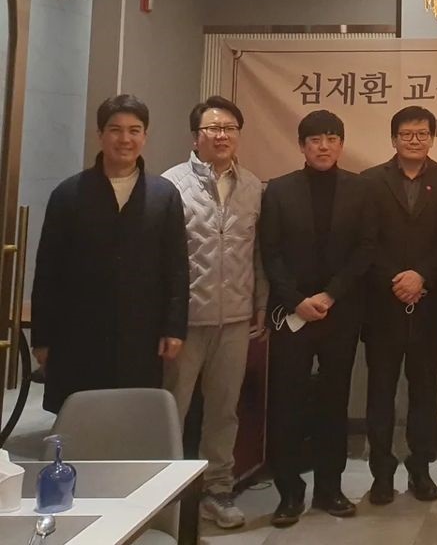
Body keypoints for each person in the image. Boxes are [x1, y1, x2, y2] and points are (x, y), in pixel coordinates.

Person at [31, 94, 188, 415]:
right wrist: (42, 337)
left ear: (145, 136)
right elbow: (48, 270)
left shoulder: (164, 195)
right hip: (78, 329)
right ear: (100, 134)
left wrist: (174, 328)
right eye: (115, 130)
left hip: (141, 331)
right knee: (79, 418)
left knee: (131, 417)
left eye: (134, 130)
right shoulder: (68, 194)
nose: (125, 139)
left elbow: (176, 268)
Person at [260, 110, 372, 528]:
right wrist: (296, 300)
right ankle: (289, 493)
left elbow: (365, 249)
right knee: (287, 402)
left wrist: (330, 294)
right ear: (302, 146)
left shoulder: (360, 189)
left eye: (331, 139)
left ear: (341, 144)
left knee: (334, 401)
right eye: (314, 140)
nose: (323, 147)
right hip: (292, 314)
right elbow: (269, 252)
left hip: (340, 312)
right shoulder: (279, 190)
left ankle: (330, 488)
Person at [162, 96, 268, 530]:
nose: (222, 135)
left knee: (224, 411)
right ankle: (162, 498)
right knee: (171, 410)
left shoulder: (254, 187)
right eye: (213, 128)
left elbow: (259, 254)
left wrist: (260, 303)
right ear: (196, 137)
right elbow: (160, 260)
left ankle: (217, 491)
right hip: (184, 323)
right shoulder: (170, 185)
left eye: (230, 128)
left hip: (235, 319)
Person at [359, 106, 437, 504]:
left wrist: (422, 277)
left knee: (424, 394)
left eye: (422, 134)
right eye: (406, 134)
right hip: (382, 306)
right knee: (380, 395)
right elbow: (365, 241)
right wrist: (396, 279)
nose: (414, 140)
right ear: (393, 139)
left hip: (427, 307)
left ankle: (420, 470)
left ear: (432, 138)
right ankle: (381, 474)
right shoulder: (370, 181)